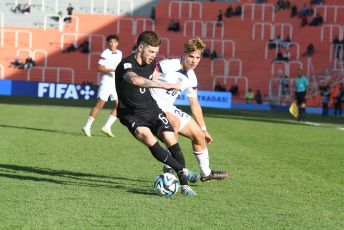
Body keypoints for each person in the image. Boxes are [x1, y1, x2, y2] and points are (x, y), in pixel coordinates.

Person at [115, 31, 200, 196]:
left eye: (156, 52)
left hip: (151, 109)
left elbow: (156, 75)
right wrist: (163, 86)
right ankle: (184, 172)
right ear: (141, 47)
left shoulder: (151, 64)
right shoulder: (126, 65)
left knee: (170, 139)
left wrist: (173, 81)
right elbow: (135, 80)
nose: (154, 56)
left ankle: (185, 186)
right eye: (151, 52)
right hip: (131, 114)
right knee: (147, 137)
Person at [150, 37, 229, 183]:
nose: (194, 60)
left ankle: (206, 173)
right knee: (173, 123)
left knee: (199, 135)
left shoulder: (192, 77)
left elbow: (194, 104)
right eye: (191, 56)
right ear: (184, 54)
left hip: (168, 107)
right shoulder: (168, 65)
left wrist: (204, 129)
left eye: (197, 57)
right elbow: (149, 74)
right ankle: (169, 168)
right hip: (152, 106)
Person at [82, 35, 122, 138]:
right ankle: (87, 126)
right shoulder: (105, 53)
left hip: (115, 82)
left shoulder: (119, 53)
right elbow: (99, 68)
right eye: (110, 42)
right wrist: (112, 70)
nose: (112, 44)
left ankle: (107, 127)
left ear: (117, 43)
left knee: (120, 106)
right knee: (100, 104)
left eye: (114, 42)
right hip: (107, 81)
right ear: (108, 43)